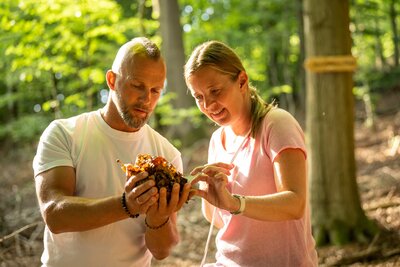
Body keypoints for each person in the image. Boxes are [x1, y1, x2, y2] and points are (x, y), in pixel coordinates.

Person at [33, 37, 191, 267]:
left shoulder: (167, 155)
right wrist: (127, 205)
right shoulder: (64, 134)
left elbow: (162, 250)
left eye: (156, 90)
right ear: (112, 80)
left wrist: (158, 218)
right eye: (137, 85)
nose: (146, 99)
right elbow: (55, 215)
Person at [184, 40, 318, 266]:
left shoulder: (276, 124)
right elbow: (220, 220)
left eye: (215, 91)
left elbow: (295, 204)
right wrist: (208, 192)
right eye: (198, 97)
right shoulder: (218, 140)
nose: (208, 104)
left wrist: (236, 202)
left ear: (242, 81)